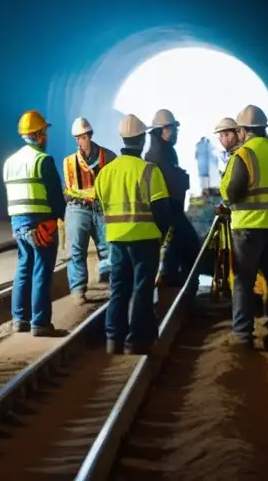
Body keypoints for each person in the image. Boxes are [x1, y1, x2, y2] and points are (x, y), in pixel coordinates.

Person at [95, 113, 176, 355]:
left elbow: (99, 208)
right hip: (145, 240)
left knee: (119, 289)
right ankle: (137, 341)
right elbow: (162, 211)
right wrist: (161, 237)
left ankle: (114, 339)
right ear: (141, 139)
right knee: (142, 289)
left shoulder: (106, 172)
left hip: (117, 240)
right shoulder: (149, 171)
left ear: (123, 138)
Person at [220, 104, 268, 351]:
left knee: (243, 281)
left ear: (243, 131)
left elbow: (233, 191)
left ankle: (243, 335)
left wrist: (227, 200)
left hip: (248, 228)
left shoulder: (244, 156)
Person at [3, 109, 66, 337]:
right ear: (38, 134)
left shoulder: (9, 162)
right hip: (41, 223)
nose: (46, 137)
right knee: (42, 270)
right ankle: (40, 323)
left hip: (18, 223)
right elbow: (56, 197)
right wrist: (58, 218)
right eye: (44, 133)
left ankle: (19, 319)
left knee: (23, 268)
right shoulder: (43, 160)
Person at [62, 117, 115, 304]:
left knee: (108, 248)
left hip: (102, 209)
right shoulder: (69, 162)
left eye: (82, 137)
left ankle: (111, 283)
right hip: (78, 208)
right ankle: (78, 289)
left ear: (90, 136)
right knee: (76, 250)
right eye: (77, 138)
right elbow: (68, 189)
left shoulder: (108, 157)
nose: (80, 141)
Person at [145, 108, 201, 286]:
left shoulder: (166, 152)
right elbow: (170, 180)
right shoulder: (156, 155)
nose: (176, 133)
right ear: (162, 130)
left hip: (172, 207)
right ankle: (172, 278)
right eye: (173, 129)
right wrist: (182, 177)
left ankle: (171, 277)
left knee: (182, 241)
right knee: (188, 241)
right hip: (165, 208)